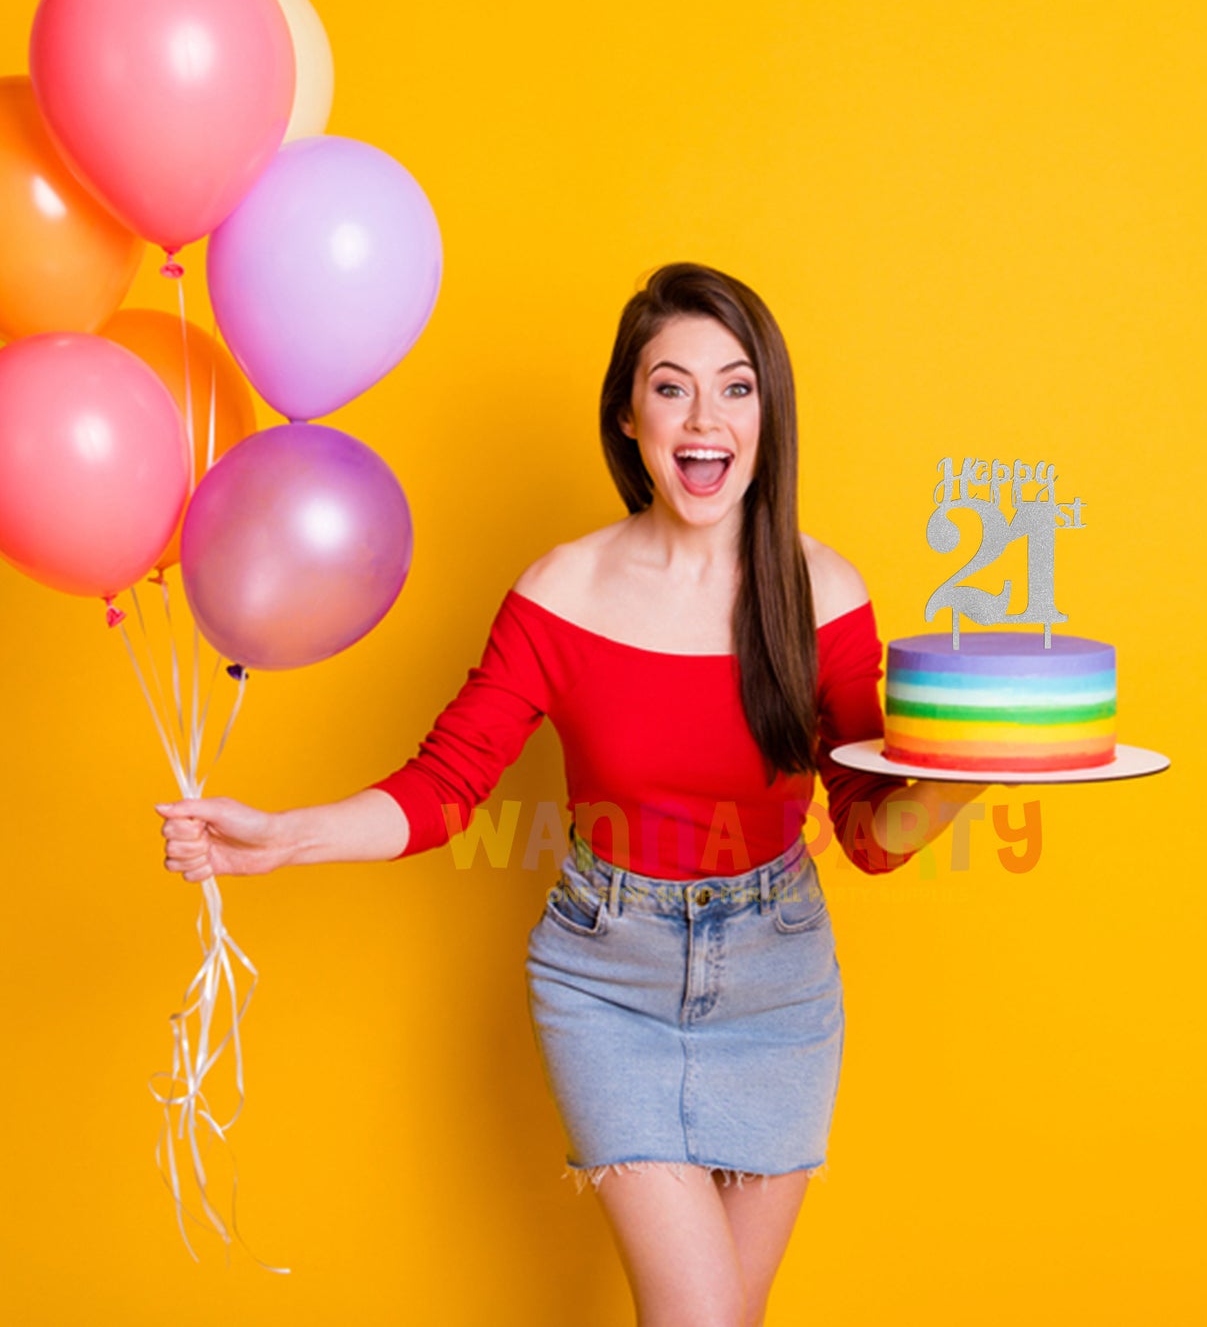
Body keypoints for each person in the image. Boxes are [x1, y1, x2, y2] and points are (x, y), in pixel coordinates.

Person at [157, 262, 988, 1327]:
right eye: (671, 385)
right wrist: (282, 835)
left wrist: (966, 783)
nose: (705, 417)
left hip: (778, 981)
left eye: (736, 387)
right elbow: (449, 786)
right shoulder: (562, 591)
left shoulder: (822, 591)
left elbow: (870, 835)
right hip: (609, 977)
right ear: (628, 413)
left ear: (768, 413)